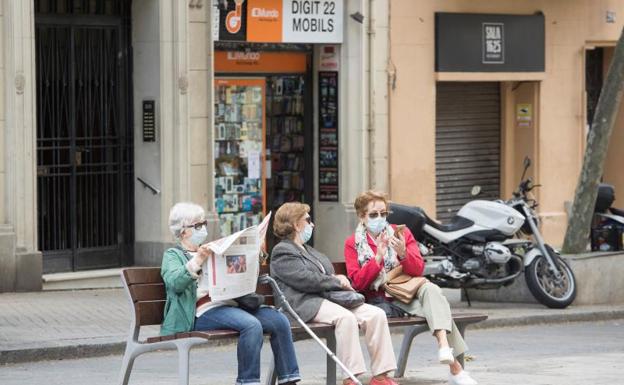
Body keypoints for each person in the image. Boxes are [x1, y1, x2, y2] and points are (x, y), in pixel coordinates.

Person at [344, 191, 478, 385]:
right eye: (373, 215)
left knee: (431, 290)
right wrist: (378, 258)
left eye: (383, 213)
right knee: (439, 309)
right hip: (381, 301)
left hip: (406, 292)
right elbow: (357, 283)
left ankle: (443, 346)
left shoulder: (401, 233)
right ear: (362, 216)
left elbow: (418, 270)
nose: (379, 218)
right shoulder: (352, 243)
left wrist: (403, 253)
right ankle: (456, 370)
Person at [161, 202, 301, 385]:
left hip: (231, 303)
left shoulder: (214, 249)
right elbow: (175, 283)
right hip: (201, 312)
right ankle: (247, 381)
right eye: (197, 226)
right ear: (182, 231)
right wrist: (197, 260)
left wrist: (253, 253)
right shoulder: (173, 255)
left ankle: (289, 379)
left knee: (279, 320)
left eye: (203, 224)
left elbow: (242, 275)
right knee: (251, 325)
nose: (203, 229)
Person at [270, 202, 400, 385]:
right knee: (345, 318)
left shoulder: (310, 251)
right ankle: (351, 378)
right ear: (295, 224)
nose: (312, 224)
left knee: (376, 314)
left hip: (327, 300)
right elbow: (306, 280)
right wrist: (336, 280)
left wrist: (334, 278)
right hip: (303, 305)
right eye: (307, 220)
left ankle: (381, 376)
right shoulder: (282, 251)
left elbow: (327, 271)